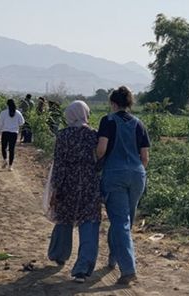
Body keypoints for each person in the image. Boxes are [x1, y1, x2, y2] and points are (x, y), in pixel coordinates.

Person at [96, 86, 150, 285]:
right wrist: (135, 170)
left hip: (115, 174)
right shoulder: (139, 124)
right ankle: (113, 257)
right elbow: (145, 157)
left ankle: (128, 270)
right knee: (125, 220)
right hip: (137, 174)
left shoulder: (108, 121)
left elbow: (101, 150)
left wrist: (97, 164)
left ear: (113, 103)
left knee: (120, 222)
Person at [47, 100, 101, 283]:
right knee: (89, 221)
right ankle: (82, 269)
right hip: (88, 181)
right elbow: (100, 157)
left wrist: (55, 189)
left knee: (64, 217)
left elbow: (59, 164)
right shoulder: (93, 135)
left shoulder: (63, 135)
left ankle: (59, 254)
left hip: (67, 182)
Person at [0, 99, 25, 171]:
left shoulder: (3, 113)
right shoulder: (18, 113)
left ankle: (5, 160)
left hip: (5, 132)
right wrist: (16, 125)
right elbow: (22, 122)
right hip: (14, 133)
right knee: (12, 150)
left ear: (7, 105)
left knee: (3, 147)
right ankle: (10, 166)